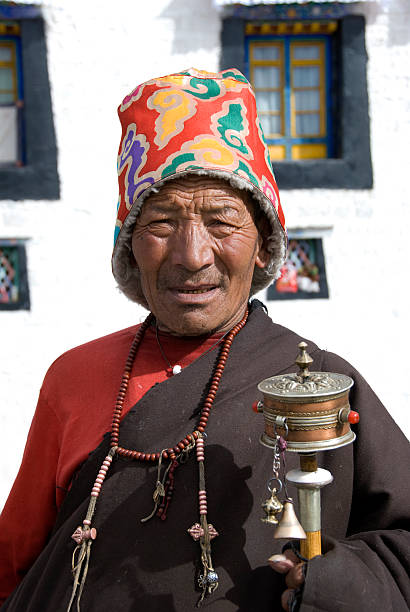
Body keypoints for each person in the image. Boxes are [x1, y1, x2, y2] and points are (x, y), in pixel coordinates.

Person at [0, 68, 409, 612]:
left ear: (264, 246)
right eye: (162, 224)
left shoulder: (320, 386)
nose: (192, 256)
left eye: (221, 222)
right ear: (128, 247)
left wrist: (331, 584)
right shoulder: (75, 375)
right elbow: (15, 560)